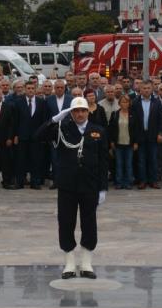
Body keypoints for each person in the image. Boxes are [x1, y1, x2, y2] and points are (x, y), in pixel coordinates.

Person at [36, 97, 109, 280]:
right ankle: (69, 262)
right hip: (67, 185)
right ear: (71, 113)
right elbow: (38, 136)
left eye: (83, 110)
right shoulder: (62, 128)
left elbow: (103, 162)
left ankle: (86, 262)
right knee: (66, 222)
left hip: (90, 185)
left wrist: (103, 188)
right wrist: (55, 119)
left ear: (88, 112)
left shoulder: (98, 131)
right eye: (76, 111)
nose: (80, 114)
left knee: (89, 223)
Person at [16, 80, 47, 190]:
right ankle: (20, 182)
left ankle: (35, 182)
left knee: (36, 160)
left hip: (36, 137)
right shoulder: (18, 102)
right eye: (28, 88)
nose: (30, 90)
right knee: (21, 160)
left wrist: (42, 135)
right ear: (25, 89)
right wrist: (16, 135)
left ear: (35, 89)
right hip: (22, 136)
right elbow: (16, 120)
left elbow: (44, 120)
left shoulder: (41, 102)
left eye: (32, 88)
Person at [108, 94, 134, 189]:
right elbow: (111, 129)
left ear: (129, 103)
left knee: (128, 164)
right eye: (123, 102)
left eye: (126, 102)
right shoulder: (115, 114)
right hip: (118, 143)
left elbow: (136, 129)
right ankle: (119, 182)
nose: (125, 104)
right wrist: (111, 141)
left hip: (129, 143)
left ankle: (128, 182)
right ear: (119, 103)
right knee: (119, 164)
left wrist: (136, 142)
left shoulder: (133, 114)